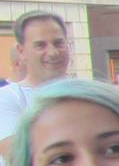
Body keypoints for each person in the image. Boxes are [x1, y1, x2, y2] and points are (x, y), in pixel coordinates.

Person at [0, 11, 73, 157]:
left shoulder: (91, 94)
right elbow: (18, 154)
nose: (53, 52)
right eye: (40, 45)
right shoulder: (8, 98)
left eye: (58, 43)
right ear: (21, 51)